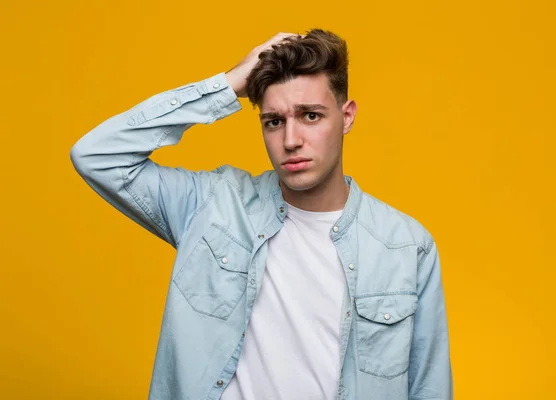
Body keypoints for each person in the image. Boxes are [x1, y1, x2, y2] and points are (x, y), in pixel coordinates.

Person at [70, 29, 453, 400]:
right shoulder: (213, 206)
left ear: (346, 116)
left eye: (311, 116)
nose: (290, 140)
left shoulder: (406, 246)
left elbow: (429, 388)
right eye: (274, 121)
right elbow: (97, 156)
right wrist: (228, 85)